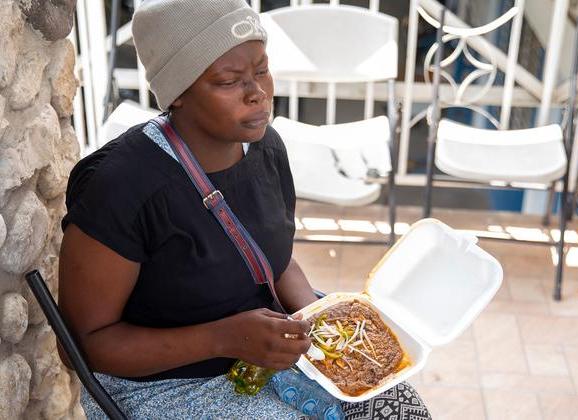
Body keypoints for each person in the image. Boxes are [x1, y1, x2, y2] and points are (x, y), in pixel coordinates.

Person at [58, 0, 431, 418]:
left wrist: (317, 325)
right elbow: (82, 345)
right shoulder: (122, 186)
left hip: (263, 349)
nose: (258, 94)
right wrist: (223, 339)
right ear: (177, 93)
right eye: (229, 81)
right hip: (164, 385)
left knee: (399, 407)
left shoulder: (265, 148)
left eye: (262, 70)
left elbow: (274, 260)